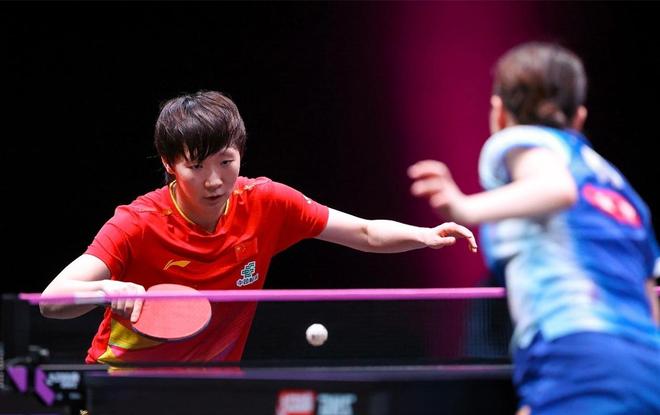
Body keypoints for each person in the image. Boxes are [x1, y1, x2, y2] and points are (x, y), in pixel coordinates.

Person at [39, 90, 477, 365]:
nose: (214, 181)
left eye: (226, 162)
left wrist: (424, 236)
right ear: (170, 164)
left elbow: (363, 233)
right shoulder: (137, 222)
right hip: (121, 388)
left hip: (213, 395)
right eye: (196, 166)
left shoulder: (266, 202)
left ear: (240, 153)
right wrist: (105, 289)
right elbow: (51, 301)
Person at [408, 42, 660, 414]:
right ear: (579, 118)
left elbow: (556, 189)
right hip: (647, 366)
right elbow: (650, 300)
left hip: (577, 351)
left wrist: (463, 207)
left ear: (499, 113)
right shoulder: (624, 194)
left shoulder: (525, 141)